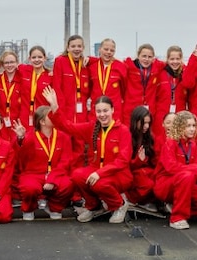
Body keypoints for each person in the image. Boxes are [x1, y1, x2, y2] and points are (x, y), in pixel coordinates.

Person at [42, 87, 133, 224]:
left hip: (118, 174)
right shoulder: (91, 128)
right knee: (77, 175)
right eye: (99, 111)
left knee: (99, 183)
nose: (102, 114)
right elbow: (68, 127)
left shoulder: (123, 130)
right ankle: (94, 206)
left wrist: (100, 173)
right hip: (96, 170)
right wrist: (55, 107)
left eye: (105, 111)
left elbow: (123, 160)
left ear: (113, 110)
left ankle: (119, 204)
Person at [154, 111, 197, 230]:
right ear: (179, 126)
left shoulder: (193, 145)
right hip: (165, 184)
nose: (192, 129)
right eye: (188, 126)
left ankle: (177, 208)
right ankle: (177, 218)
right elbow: (171, 167)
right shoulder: (170, 143)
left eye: (193, 125)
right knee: (187, 176)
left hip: (186, 183)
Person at [12, 106, 74, 221]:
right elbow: (21, 156)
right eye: (50, 116)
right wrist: (21, 138)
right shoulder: (30, 136)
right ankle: (29, 209)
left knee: (67, 185)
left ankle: (54, 208)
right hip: (33, 174)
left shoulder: (63, 136)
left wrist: (52, 178)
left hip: (56, 173)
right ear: (42, 121)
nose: (54, 118)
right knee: (29, 188)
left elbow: (66, 161)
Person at [51, 36, 92, 124]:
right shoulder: (60, 61)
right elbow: (57, 87)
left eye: (79, 46)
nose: (76, 49)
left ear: (83, 48)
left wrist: (91, 59)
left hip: (82, 113)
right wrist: (61, 110)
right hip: (65, 111)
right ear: (68, 48)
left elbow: (100, 61)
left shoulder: (86, 64)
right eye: (73, 46)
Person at [125, 106, 158, 213]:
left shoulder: (150, 137)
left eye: (148, 123)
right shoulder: (127, 136)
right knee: (148, 184)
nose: (146, 126)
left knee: (159, 181)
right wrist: (139, 160)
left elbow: (154, 160)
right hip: (132, 172)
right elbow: (125, 164)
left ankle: (146, 201)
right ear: (136, 121)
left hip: (146, 171)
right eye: (144, 123)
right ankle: (130, 199)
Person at [152, 46, 186, 141]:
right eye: (172, 59)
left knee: (179, 141)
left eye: (177, 59)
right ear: (167, 59)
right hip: (161, 115)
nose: (175, 62)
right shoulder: (161, 73)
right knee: (160, 141)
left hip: (179, 114)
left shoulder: (184, 74)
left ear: (181, 59)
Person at [89, 38, 127, 121]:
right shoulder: (92, 67)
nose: (109, 52)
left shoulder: (121, 67)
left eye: (112, 50)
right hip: (96, 111)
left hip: (114, 113)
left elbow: (124, 90)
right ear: (100, 49)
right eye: (106, 49)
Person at [125, 44, 162, 122]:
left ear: (153, 58)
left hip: (149, 111)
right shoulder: (128, 67)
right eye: (144, 56)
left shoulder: (157, 67)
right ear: (138, 56)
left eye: (150, 57)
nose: (146, 59)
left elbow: (171, 63)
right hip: (131, 110)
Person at [21, 45, 53, 126]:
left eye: (40, 57)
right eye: (34, 57)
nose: (36, 60)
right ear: (29, 59)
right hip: (25, 116)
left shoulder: (50, 76)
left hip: (43, 116)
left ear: (45, 58)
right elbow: (9, 64)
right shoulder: (24, 71)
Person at [0, 50, 29, 127]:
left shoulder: (23, 79)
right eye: (6, 63)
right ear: (2, 65)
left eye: (12, 62)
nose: (9, 65)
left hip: (19, 123)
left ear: (17, 63)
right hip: (1, 123)